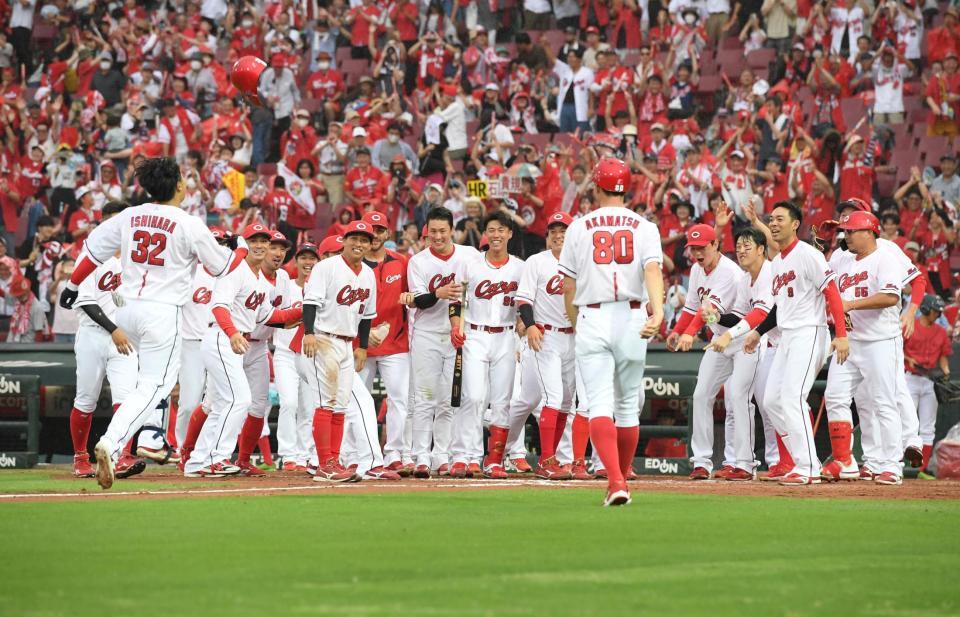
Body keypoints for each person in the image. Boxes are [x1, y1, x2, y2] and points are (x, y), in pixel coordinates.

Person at [58, 157, 248, 490]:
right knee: (156, 386)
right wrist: (241, 248)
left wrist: (73, 285)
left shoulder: (129, 215)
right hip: (162, 311)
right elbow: (222, 268)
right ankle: (115, 443)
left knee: (138, 386)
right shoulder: (188, 223)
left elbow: (93, 253)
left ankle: (124, 442)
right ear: (179, 185)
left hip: (126, 309)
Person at [557, 158, 664, 506]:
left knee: (598, 404)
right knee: (628, 406)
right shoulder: (645, 226)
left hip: (593, 313)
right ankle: (622, 477)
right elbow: (652, 270)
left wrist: (578, 324)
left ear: (596, 186)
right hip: (632, 315)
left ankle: (616, 481)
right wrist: (659, 310)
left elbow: (568, 285)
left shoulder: (578, 227)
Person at [184, 224, 301, 477]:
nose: (260, 245)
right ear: (244, 245)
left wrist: (306, 311)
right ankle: (217, 458)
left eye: (264, 241)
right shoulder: (235, 270)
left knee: (223, 405)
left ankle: (197, 462)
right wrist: (233, 333)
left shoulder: (259, 280)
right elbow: (219, 307)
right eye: (253, 240)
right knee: (238, 400)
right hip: (223, 337)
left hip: (239, 341)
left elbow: (270, 316)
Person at [761, 201, 849, 486]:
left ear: (795, 223)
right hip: (787, 336)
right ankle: (803, 457)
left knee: (791, 397)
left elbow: (831, 292)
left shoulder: (808, 254)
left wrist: (841, 335)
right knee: (771, 400)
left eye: (780, 219)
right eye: (771, 219)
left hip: (810, 331)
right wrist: (756, 332)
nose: (774, 224)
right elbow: (779, 307)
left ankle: (807, 466)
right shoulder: (777, 262)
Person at [668, 219, 760, 481]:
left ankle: (744, 463)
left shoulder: (729, 272)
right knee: (701, 395)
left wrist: (690, 333)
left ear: (715, 245)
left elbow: (708, 311)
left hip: (744, 337)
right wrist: (677, 331)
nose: (697, 253)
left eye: (702, 247)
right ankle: (701, 462)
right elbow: (691, 307)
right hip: (719, 338)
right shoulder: (697, 270)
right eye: (693, 247)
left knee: (738, 399)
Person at [821, 211, 904, 485]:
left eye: (852, 231)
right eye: (845, 232)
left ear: (870, 232)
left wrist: (851, 305)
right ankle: (846, 461)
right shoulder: (842, 258)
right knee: (835, 396)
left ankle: (891, 465)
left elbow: (890, 297)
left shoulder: (885, 258)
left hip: (880, 341)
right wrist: (823, 240)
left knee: (883, 402)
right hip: (850, 341)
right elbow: (820, 275)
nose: (847, 236)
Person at [68, 202, 143, 479]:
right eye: (113, 221)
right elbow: (85, 301)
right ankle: (80, 458)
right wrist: (114, 329)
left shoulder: (134, 260)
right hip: (93, 334)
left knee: (127, 399)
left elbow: (124, 299)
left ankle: (121, 456)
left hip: (124, 337)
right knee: (86, 399)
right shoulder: (90, 256)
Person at [448, 210, 525, 479]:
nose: (496, 235)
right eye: (491, 229)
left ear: (510, 234)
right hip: (475, 334)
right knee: (473, 397)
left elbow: (525, 306)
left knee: (502, 401)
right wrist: (455, 326)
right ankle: (463, 456)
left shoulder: (520, 267)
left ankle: (494, 460)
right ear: (485, 234)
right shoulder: (470, 264)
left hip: (506, 335)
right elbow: (455, 300)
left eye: (501, 230)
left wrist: (524, 327)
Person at [300, 220, 378, 483]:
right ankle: (324, 464)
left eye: (364, 240)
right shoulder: (327, 267)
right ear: (344, 240)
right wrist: (309, 332)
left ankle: (333, 461)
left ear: (370, 245)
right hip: (324, 338)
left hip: (347, 343)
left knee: (340, 406)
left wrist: (363, 347)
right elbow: (310, 302)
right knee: (326, 403)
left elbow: (367, 316)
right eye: (354, 238)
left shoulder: (368, 274)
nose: (359, 243)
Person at [506, 211, 581, 480]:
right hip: (545, 337)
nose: (558, 235)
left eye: (563, 231)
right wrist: (531, 325)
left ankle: (553, 457)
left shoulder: (583, 262)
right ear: (548, 236)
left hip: (574, 337)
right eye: (554, 231)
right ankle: (545, 460)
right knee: (551, 398)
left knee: (566, 403)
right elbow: (524, 299)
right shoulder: (537, 262)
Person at [406, 207, 478, 478]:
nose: (438, 236)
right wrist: (439, 292)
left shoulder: (469, 255)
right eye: (433, 231)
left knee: (449, 400)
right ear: (427, 232)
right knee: (425, 399)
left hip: (457, 335)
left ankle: (441, 456)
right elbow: (418, 300)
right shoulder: (418, 261)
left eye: (442, 231)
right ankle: (421, 456)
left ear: (452, 231)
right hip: (427, 334)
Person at [356, 211, 413, 474]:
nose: (375, 235)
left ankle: (393, 453)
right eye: (371, 230)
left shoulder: (402, 262)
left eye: (380, 230)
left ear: (388, 233)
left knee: (399, 399)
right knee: (357, 401)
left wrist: (411, 298)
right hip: (360, 344)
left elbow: (415, 296)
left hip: (395, 343)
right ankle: (358, 454)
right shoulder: (354, 264)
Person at [274, 242, 321, 472]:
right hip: (285, 352)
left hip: (311, 355)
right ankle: (288, 454)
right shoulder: (287, 287)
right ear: (296, 260)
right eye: (303, 257)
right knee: (289, 403)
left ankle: (304, 455)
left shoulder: (321, 288)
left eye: (312, 258)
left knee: (308, 408)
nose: (308, 262)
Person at [904, 295, 952, 477]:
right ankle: (898, 465)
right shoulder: (910, 325)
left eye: (939, 311)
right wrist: (908, 359)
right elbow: (896, 350)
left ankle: (919, 469)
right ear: (925, 309)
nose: (938, 314)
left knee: (928, 426)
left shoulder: (941, 331)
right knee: (906, 422)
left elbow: (944, 356)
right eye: (935, 310)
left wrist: (946, 372)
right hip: (910, 378)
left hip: (930, 380)